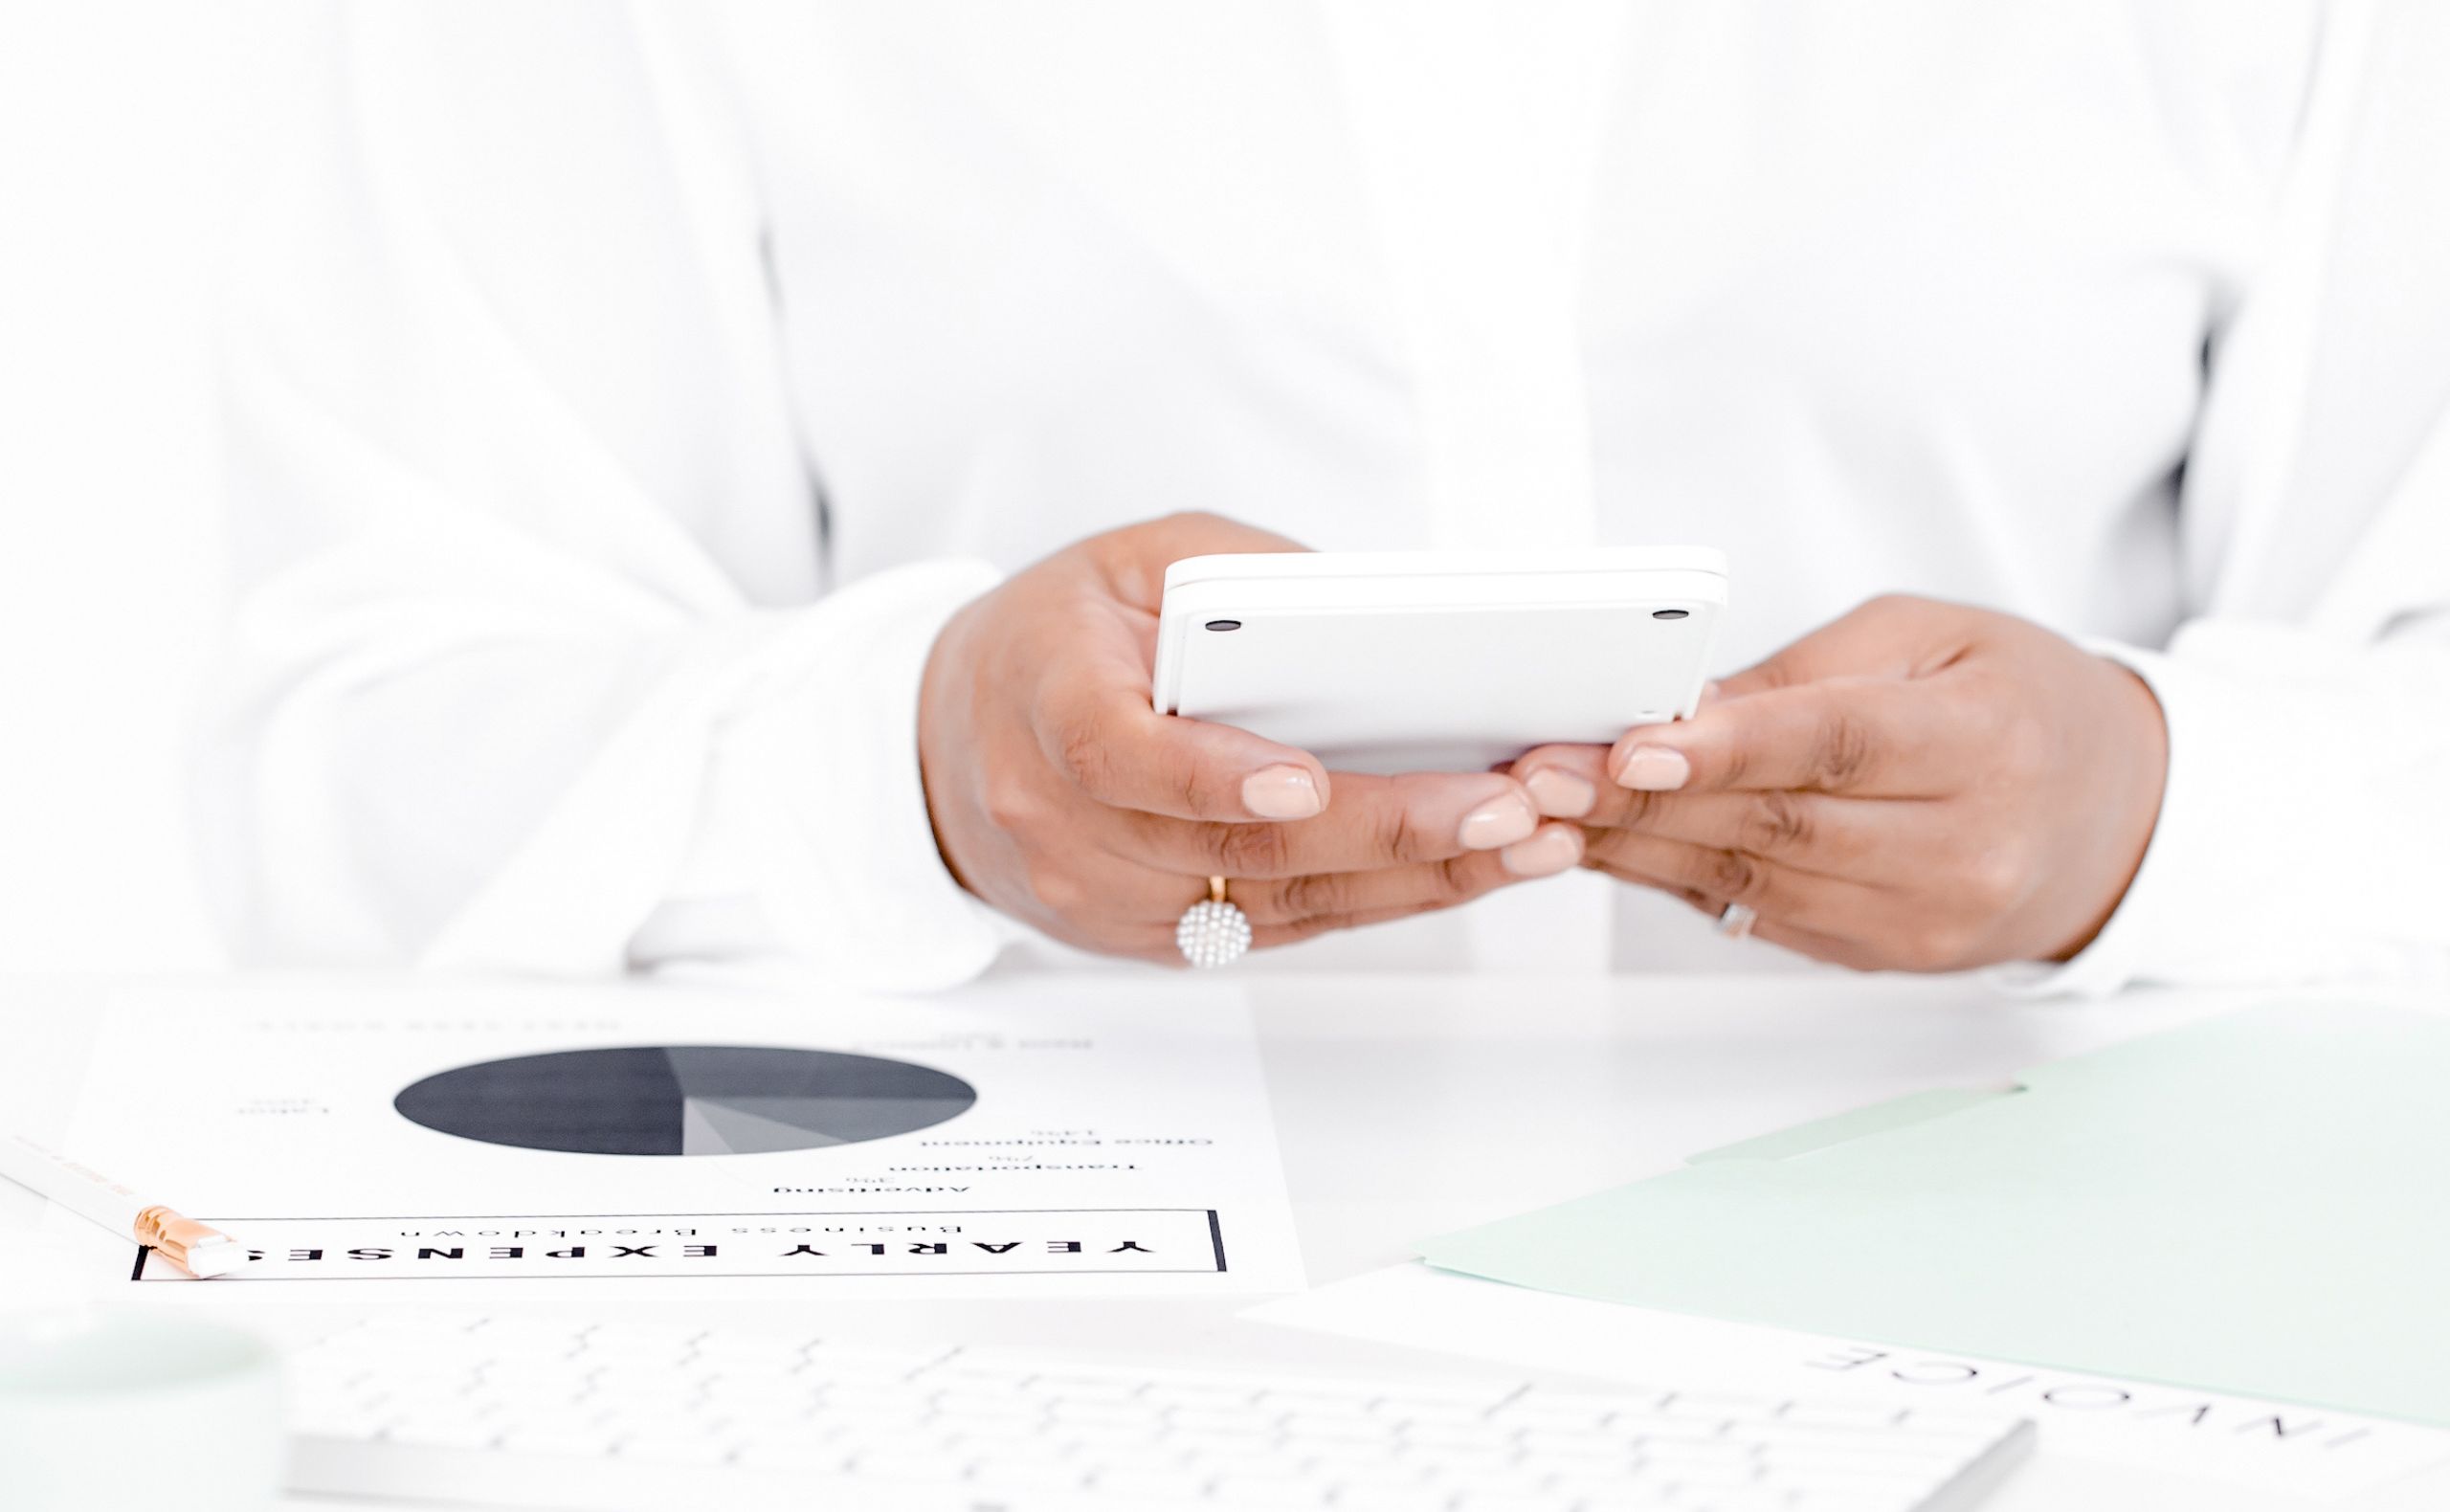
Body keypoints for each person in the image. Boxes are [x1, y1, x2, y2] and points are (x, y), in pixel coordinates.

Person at [208, 2, 2450, 994]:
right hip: (973, 1384)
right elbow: (360, 745)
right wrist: (905, 768)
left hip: (2048, 1370)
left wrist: (2150, 814)